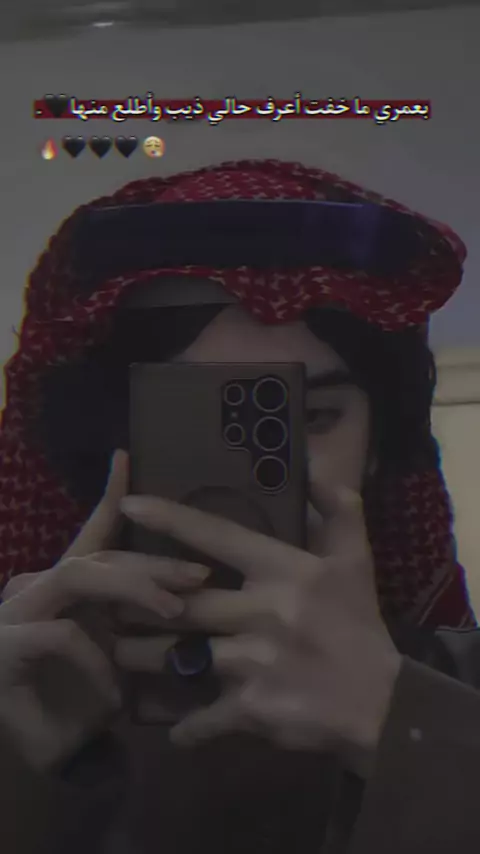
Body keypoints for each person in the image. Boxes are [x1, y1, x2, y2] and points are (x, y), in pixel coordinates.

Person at [0, 158, 479, 854]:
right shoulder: (26, 688)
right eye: (191, 419)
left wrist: (399, 725)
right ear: (112, 441)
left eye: (310, 417)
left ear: (378, 446)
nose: (260, 467)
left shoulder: (463, 685)